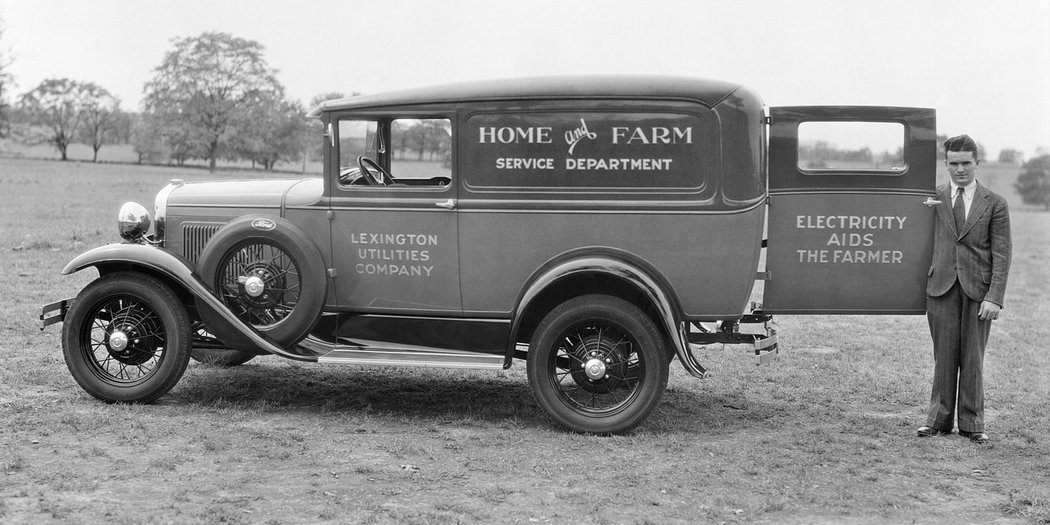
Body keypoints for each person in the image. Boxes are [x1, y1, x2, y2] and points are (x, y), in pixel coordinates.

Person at [918, 134, 1011, 444]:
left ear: (977, 163)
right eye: (954, 163)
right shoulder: (933, 198)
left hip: (978, 291)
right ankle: (938, 420)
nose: (960, 169)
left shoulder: (995, 203)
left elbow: (1001, 253)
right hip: (941, 287)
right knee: (943, 355)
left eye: (966, 163)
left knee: (973, 358)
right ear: (946, 164)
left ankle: (973, 425)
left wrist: (994, 297)